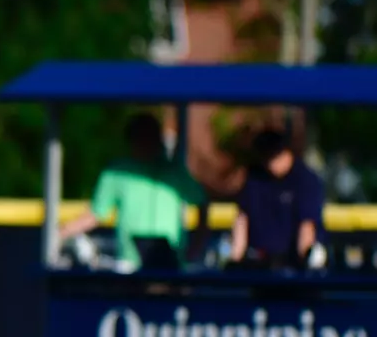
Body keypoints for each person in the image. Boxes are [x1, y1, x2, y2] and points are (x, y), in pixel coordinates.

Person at [60, 112, 205, 271]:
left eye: (149, 138)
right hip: (129, 265)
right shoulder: (117, 172)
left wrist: (195, 248)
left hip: (171, 266)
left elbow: (201, 202)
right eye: (141, 138)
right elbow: (96, 214)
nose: (145, 144)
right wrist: (61, 233)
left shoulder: (174, 171)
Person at [231, 128, 324, 268]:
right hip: (259, 261)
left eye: (273, 156)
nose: (270, 163)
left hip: (291, 262)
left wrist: (305, 260)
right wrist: (235, 259)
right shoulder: (255, 178)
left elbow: (307, 225)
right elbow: (242, 218)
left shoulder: (305, 179)